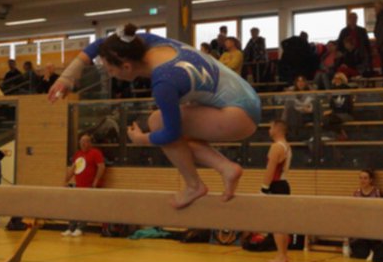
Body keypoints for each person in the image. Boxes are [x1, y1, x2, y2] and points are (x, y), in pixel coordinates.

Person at [49, 23, 258, 209]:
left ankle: (194, 185)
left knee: (157, 122)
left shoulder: (164, 81)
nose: (110, 75)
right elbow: (99, 45)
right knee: (177, 135)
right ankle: (226, 168)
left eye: (111, 70)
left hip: (237, 116)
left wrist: (142, 139)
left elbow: (170, 133)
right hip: (246, 100)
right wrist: (66, 78)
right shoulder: (143, 42)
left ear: (126, 66)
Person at [261, 119, 292, 262]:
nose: (269, 130)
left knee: (276, 223)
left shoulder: (276, 147)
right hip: (284, 185)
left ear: (277, 129)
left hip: (276, 185)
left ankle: (280, 255)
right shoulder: (287, 146)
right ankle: (283, 254)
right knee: (282, 223)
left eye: (270, 127)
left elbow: (271, 170)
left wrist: (263, 189)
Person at [63, 133, 106, 235]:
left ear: (90, 143)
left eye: (85, 141)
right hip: (79, 186)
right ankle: (71, 228)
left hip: (89, 186)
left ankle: (80, 228)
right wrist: (66, 181)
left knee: (84, 207)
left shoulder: (95, 153)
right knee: (74, 207)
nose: (83, 143)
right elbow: (73, 168)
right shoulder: (78, 154)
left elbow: (101, 167)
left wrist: (95, 181)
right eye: (81, 141)